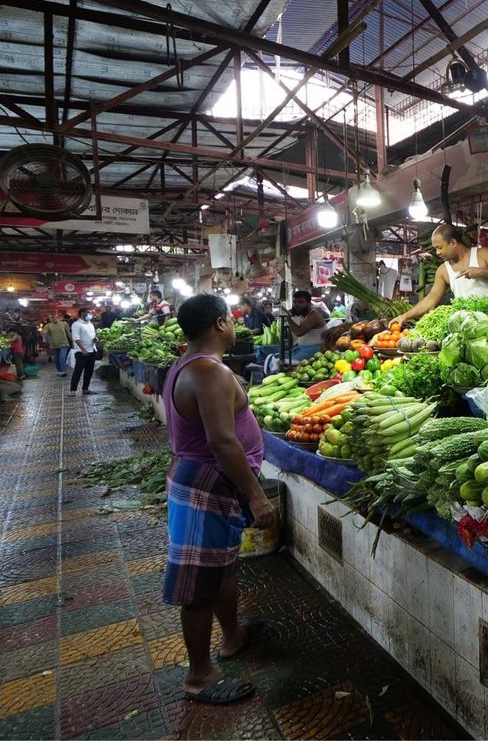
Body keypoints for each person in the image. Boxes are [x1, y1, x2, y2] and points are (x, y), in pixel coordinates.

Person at [162, 293, 275, 705]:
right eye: (230, 318)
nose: (234, 324)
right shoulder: (208, 372)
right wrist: (257, 496)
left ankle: (232, 637)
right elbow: (223, 441)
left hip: (207, 482)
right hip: (206, 485)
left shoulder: (187, 364)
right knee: (198, 585)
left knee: (221, 568)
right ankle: (199, 676)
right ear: (218, 325)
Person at [394, 225, 488, 324]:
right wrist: (405, 316)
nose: (437, 252)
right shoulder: (443, 270)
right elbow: (431, 299)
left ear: (453, 242)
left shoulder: (482, 254)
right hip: (466, 325)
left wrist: (481, 272)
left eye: (439, 248)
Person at [283, 290, 326, 361]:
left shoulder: (314, 315)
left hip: (314, 351)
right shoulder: (303, 314)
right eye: (295, 302)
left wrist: (288, 318)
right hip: (302, 349)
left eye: (300, 302)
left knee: (286, 363)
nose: (296, 304)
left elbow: (299, 332)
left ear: (309, 303)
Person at [70, 307, 98, 395]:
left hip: (91, 349)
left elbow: (93, 335)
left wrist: (95, 339)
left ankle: (85, 389)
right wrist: (83, 349)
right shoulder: (76, 324)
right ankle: (72, 391)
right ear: (82, 314)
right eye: (88, 313)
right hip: (81, 352)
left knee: (89, 371)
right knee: (78, 371)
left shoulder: (90, 324)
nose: (90, 315)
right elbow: (76, 338)